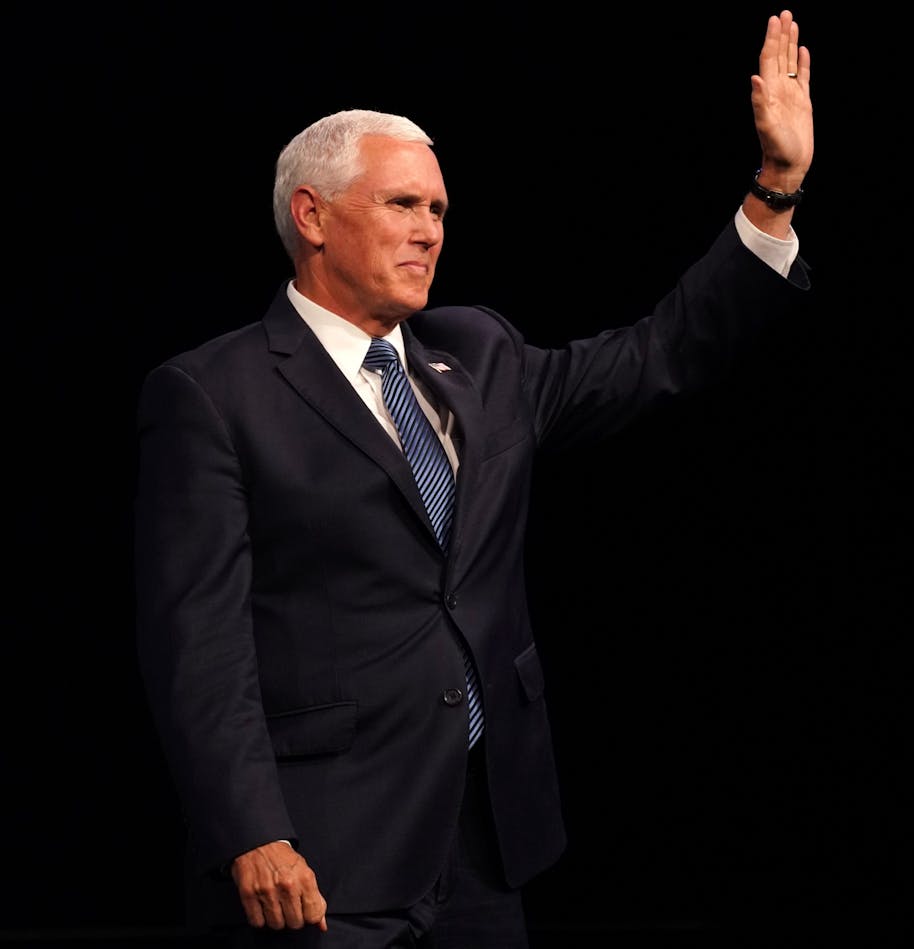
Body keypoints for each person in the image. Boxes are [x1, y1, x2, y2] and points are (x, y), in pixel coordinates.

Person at [133, 9, 812, 948]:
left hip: (488, 846)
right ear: (313, 216)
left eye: (439, 211)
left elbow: (657, 355)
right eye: (402, 205)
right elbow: (196, 644)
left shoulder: (478, 355)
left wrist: (774, 189)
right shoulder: (214, 394)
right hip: (322, 855)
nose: (430, 232)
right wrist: (252, 828)